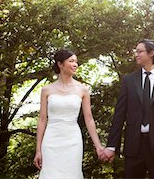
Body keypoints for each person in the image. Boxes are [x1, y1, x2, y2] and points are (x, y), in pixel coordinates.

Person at [102, 39, 154, 178]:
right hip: (134, 147)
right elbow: (119, 115)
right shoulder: (129, 80)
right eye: (136, 51)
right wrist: (111, 146)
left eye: (140, 51)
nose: (136, 54)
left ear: (151, 53)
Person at [33, 49, 104, 178]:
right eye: (71, 61)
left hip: (73, 139)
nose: (75, 64)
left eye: (76, 62)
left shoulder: (82, 89)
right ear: (60, 64)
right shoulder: (46, 90)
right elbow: (42, 119)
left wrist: (98, 146)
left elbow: (89, 119)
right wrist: (38, 150)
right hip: (51, 140)